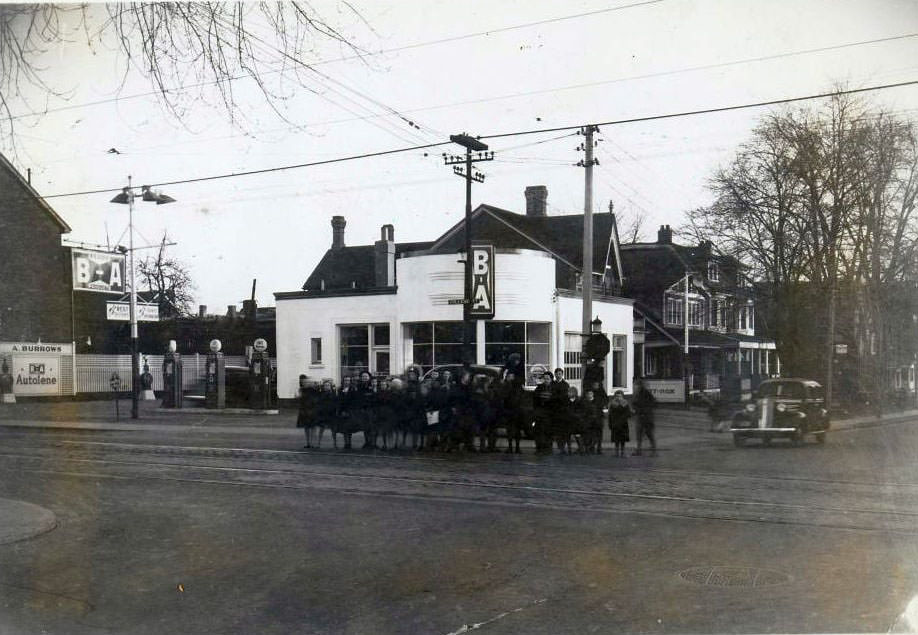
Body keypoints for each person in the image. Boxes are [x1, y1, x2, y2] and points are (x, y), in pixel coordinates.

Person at [632, 378, 657, 456]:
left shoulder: (645, 393)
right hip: (640, 416)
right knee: (639, 435)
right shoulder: (637, 393)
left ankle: (653, 451)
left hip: (646, 417)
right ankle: (639, 450)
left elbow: (652, 403)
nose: (634, 386)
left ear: (639, 385)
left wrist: (643, 410)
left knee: (649, 434)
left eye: (635, 385)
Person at [296, 374, 320, 449]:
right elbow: (299, 398)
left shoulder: (312, 389)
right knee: (306, 427)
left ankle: (312, 443)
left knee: (313, 427)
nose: (304, 382)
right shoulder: (301, 390)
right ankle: (308, 443)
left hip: (312, 409)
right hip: (304, 410)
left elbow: (317, 398)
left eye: (305, 381)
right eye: (302, 381)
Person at [532, 371, 554, 453]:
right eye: (544, 378)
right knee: (539, 431)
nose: (546, 380)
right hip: (540, 413)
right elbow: (535, 400)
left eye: (547, 378)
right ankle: (539, 448)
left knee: (548, 432)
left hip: (550, 414)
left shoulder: (554, 388)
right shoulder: (539, 388)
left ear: (551, 379)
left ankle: (548, 448)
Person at [608, 390, 632, 457]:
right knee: (616, 439)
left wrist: (624, 417)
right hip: (615, 424)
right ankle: (616, 452)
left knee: (623, 439)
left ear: (622, 396)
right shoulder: (612, 404)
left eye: (620, 396)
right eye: (617, 396)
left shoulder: (625, 403)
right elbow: (610, 415)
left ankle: (622, 452)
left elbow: (629, 414)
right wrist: (610, 424)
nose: (618, 397)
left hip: (623, 424)